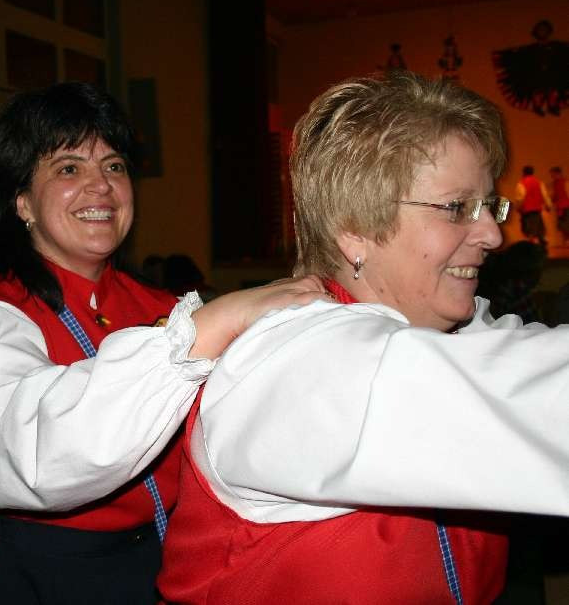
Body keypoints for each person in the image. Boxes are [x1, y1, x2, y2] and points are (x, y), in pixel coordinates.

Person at [157, 71, 569, 604]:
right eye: (457, 207)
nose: (492, 233)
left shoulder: (453, 330)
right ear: (355, 229)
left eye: (491, 205)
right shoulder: (291, 361)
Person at [0, 81, 328, 603]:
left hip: (155, 555)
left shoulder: (167, 307)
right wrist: (209, 328)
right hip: (34, 570)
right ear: (22, 202)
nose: (101, 186)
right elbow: (37, 459)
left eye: (114, 166)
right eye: (69, 169)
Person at [516, 165, 551, 247]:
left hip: (527, 210)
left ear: (523, 173)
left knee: (529, 227)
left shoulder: (521, 183)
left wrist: (518, 207)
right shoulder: (539, 182)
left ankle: (533, 242)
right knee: (538, 225)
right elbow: (544, 195)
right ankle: (541, 239)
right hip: (537, 208)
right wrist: (548, 205)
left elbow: (520, 197)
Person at [551, 166, 569, 243]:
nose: (552, 176)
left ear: (558, 173)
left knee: (566, 224)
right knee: (562, 225)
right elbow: (555, 195)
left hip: (566, 206)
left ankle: (567, 240)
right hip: (560, 207)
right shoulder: (555, 183)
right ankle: (566, 240)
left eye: (553, 174)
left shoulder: (566, 182)